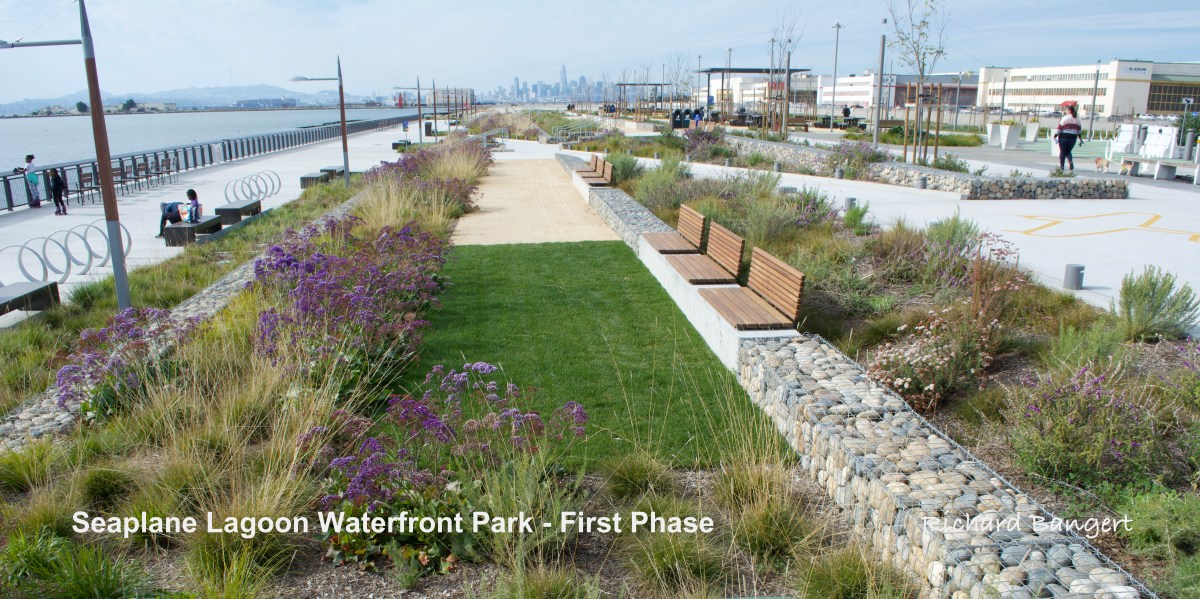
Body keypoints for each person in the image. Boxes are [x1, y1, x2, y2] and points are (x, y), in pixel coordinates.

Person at [1053, 105, 1084, 171]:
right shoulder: (1077, 120)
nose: (1066, 111)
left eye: (1067, 110)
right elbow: (1079, 131)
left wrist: (1055, 136)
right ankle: (1070, 161)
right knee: (1068, 151)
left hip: (1064, 136)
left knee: (1062, 152)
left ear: (1069, 110)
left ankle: (1062, 167)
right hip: (1073, 137)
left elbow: (1060, 128)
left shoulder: (1065, 118)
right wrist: (1080, 138)